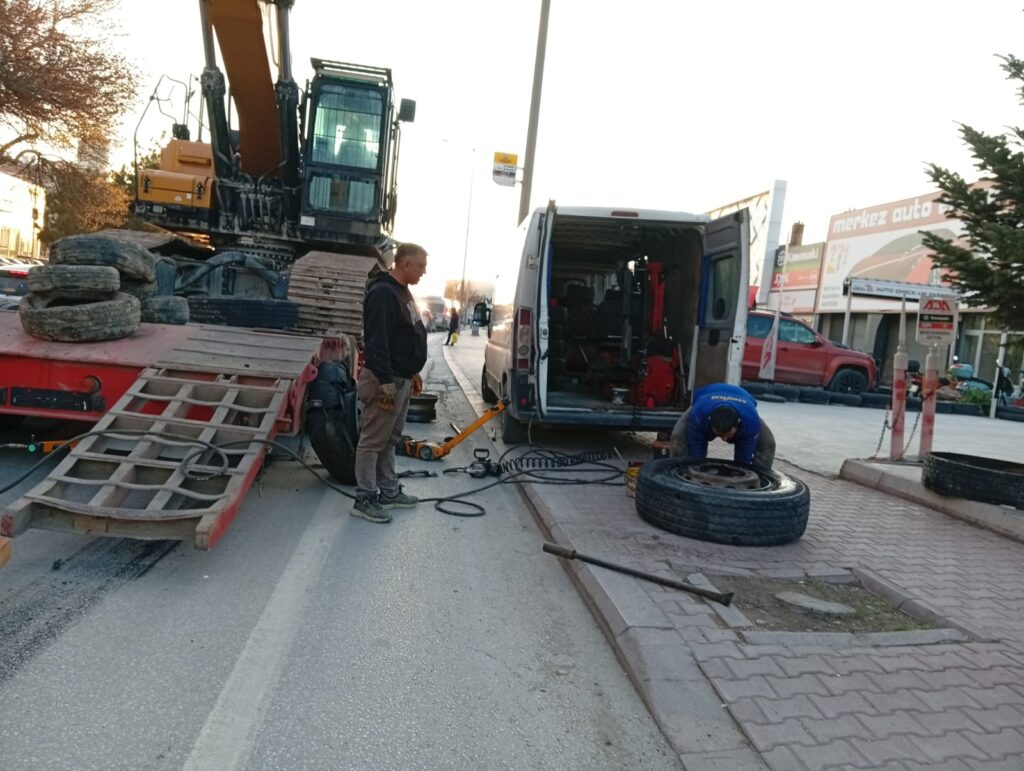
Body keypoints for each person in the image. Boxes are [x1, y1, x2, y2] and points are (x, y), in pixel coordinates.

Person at [352, 243, 429, 523]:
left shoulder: (401, 291)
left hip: (401, 377)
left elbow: (404, 334)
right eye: (421, 266)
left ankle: (388, 491)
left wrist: (411, 370)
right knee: (373, 441)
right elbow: (377, 340)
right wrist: (385, 380)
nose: (424, 271)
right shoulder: (384, 293)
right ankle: (364, 498)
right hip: (387, 380)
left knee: (389, 439)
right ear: (405, 264)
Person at [669, 383, 775, 469]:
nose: (724, 439)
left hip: (743, 403)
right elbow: (696, 447)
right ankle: (678, 471)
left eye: (728, 434)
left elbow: (744, 455)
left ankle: (761, 479)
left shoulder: (750, 420)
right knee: (678, 436)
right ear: (709, 422)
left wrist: (742, 474)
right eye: (719, 434)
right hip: (705, 398)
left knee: (768, 442)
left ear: (738, 424)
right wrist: (696, 468)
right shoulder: (699, 415)